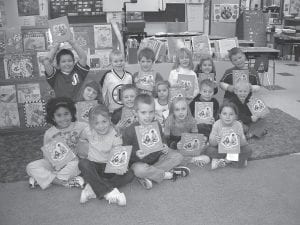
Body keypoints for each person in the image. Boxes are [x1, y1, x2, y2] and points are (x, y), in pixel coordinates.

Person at [122, 94, 190, 190]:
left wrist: (165, 146)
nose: (148, 116)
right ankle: (166, 174)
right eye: (143, 112)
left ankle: (150, 175)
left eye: (151, 112)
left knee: (178, 156)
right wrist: (135, 153)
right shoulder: (130, 130)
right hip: (139, 162)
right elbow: (125, 150)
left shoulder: (156, 124)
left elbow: (162, 138)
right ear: (135, 113)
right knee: (138, 170)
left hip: (158, 158)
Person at [26, 97, 88, 190]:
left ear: (72, 114)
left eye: (66, 114)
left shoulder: (81, 126)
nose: (63, 118)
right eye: (59, 115)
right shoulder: (49, 133)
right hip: (54, 164)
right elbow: (46, 156)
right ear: (53, 118)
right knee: (30, 167)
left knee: (77, 163)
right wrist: (54, 165)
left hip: (73, 163)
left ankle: (46, 179)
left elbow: (93, 137)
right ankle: (62, 181)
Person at [78, 105, 134, 205]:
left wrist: (121, 167)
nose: (101, 126)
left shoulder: (115, 134)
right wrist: (84, 146)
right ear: (91, 124)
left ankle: (92, 187)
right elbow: (81, 139)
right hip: (93, 166)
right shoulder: (88, 131)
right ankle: (109, 192)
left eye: (104, 121)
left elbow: (118, 153)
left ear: (109, 119)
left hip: (109, 167)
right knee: (83, 163)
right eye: (96, 123)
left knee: (129, 174)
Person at [164, 97, 210, 167]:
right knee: (169, 154)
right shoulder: (169, 121)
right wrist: (175, 145)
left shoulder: (192, 120)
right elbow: (166, 139)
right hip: (175, 147)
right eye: (177, 110)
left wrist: (200, 141)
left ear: (187, 109)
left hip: (188, 146)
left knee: (206, 153)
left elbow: (194, 137)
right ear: (173, 111)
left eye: (183, 109)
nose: (181, 112)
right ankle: (192, 160)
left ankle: (187, 159)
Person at [205, 102, 252, 169]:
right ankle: (232, 159)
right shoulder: (217, 124)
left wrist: (240, 139)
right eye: (224, 114)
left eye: (231, 114)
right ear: (220, 116)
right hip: (221, 148)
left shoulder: (238, 124)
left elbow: (244, 143)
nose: (227, 117)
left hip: (234, 150)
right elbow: (211, 142)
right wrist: (216, 140)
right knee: (209, 150)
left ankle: (224, 160)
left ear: (236, 116)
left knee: (248, 150)